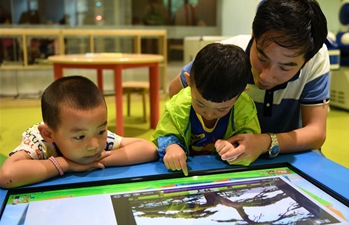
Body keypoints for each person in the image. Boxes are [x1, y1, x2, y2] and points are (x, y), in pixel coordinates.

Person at [168, 0, 330, 166]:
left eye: (284, 68)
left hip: (288, 156)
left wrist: (265, 142)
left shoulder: (316, 60)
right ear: (253, 35)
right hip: (225, 159)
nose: (266, 76)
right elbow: (175, 90)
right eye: (262, 58)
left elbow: (316, 133)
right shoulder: (226, 56)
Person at [0, 76, 158, 189]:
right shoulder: (40, 142)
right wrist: (66, 164)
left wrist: (97, 161)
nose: (93, 145)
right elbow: (8, 176)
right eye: (79, 137)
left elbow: (148, 149)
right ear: (49, 134)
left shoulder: (93, 133)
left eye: (101, 131)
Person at [151, 43, 261, 176]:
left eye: (222, 109)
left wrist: (236, 148)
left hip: (225, 174)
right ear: (189, 82)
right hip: (187, 171)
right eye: (200, 104)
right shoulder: (178, 105)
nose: (209, 114)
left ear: (241, 94)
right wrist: (171, 147)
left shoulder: (244, 108)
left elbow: (250, 140)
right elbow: (165, 134)